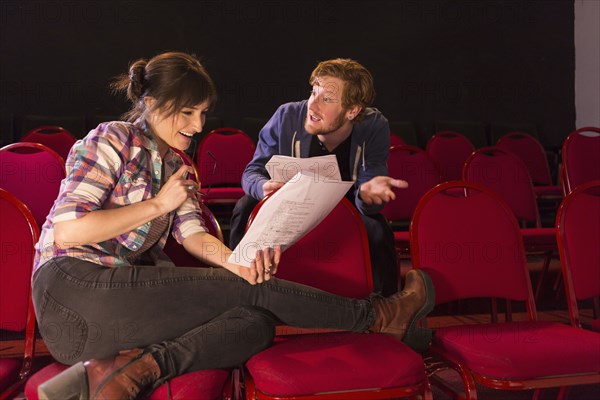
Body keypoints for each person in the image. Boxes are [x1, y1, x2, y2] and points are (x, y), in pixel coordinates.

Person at [32, 52, 434, 399]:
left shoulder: (179, 166)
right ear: (153, 103)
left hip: (104, 329)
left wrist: (239, 262)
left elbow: (194, 237)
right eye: (187, 112)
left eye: (203, 112)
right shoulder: (111, 139)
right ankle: (379, 316)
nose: (198, 124)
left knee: (253, 324)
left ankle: (131, 371)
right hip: (70, 291)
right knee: (251, 297)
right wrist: (157, 204)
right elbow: (70, 230)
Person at [229, 58, 403, 296]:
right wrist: (264, 187)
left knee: (377, 228)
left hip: (346, 208)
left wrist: (368, 195)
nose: (313, 105)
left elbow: (370, 188)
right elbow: (251, 173)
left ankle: (386, 308)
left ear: (352, 111)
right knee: (245, 206)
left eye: (327, 99)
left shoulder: (374, 126)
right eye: (313, 93)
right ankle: (235, 289)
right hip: (291, 207)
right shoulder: (286, 116)